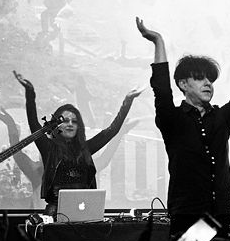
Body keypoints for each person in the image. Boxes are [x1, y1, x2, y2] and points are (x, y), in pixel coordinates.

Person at [136, 10, 230, 241]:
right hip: (187, 213)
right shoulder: (172, 119)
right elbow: (161, 87)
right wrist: (158, 41)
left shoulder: (221, 118)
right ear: (183, 84)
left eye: (210, 80)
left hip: (220, 215)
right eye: (200, 78)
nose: (208, 83)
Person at [12, 71, 142, 217]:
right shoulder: (49, 148)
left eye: (74, 121)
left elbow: (111, 131)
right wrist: (30, 93)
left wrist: (128, 100)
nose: (70, 124)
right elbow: (34, 124)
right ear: (56, 125)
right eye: (65, 120)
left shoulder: (85, 149)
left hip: (84, 210)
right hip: (56, 213)